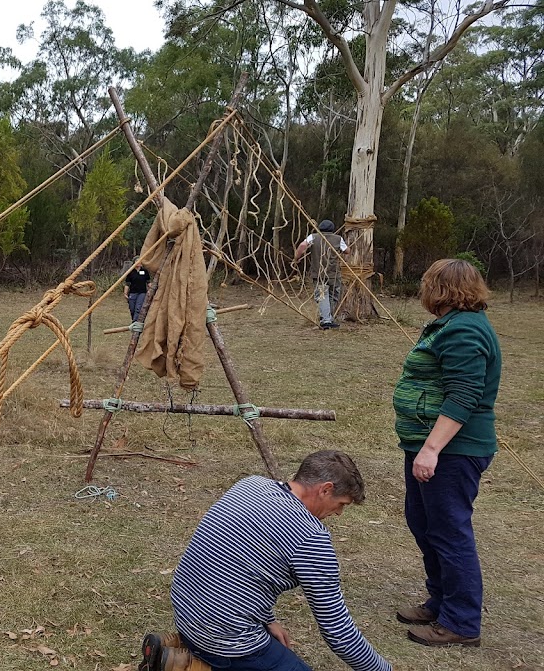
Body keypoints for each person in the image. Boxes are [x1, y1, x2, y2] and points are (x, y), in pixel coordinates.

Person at [141, 450, 392, 671]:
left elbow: (240, 565)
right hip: (222, 636)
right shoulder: (311, 537)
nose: (338, 513)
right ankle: (197, 665)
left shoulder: (251, 485)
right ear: (325, 489)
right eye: (341, 504)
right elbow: (339, 633)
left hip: (186, 611)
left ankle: (179, 655)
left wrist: (267, 619)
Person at [392, 258, 500, 648]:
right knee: (426, 525)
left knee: (450, 532)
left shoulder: (465, 331)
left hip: (453, 451)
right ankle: (440, 601)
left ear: (441, 288)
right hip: (429, 447)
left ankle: (461, 621)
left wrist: (432, 449)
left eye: (426, 282)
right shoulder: (452, 325)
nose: (422, 287)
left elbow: (465, 394)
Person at [293, 220, 349, 329]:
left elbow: (302, 245)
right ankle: (327, 319)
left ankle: (326, 318)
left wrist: (296, 258)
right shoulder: (338, 238)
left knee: (322, 296)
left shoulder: (313, 237)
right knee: (333, 296)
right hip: (334, 274)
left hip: (319, 274)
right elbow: (347, 251)